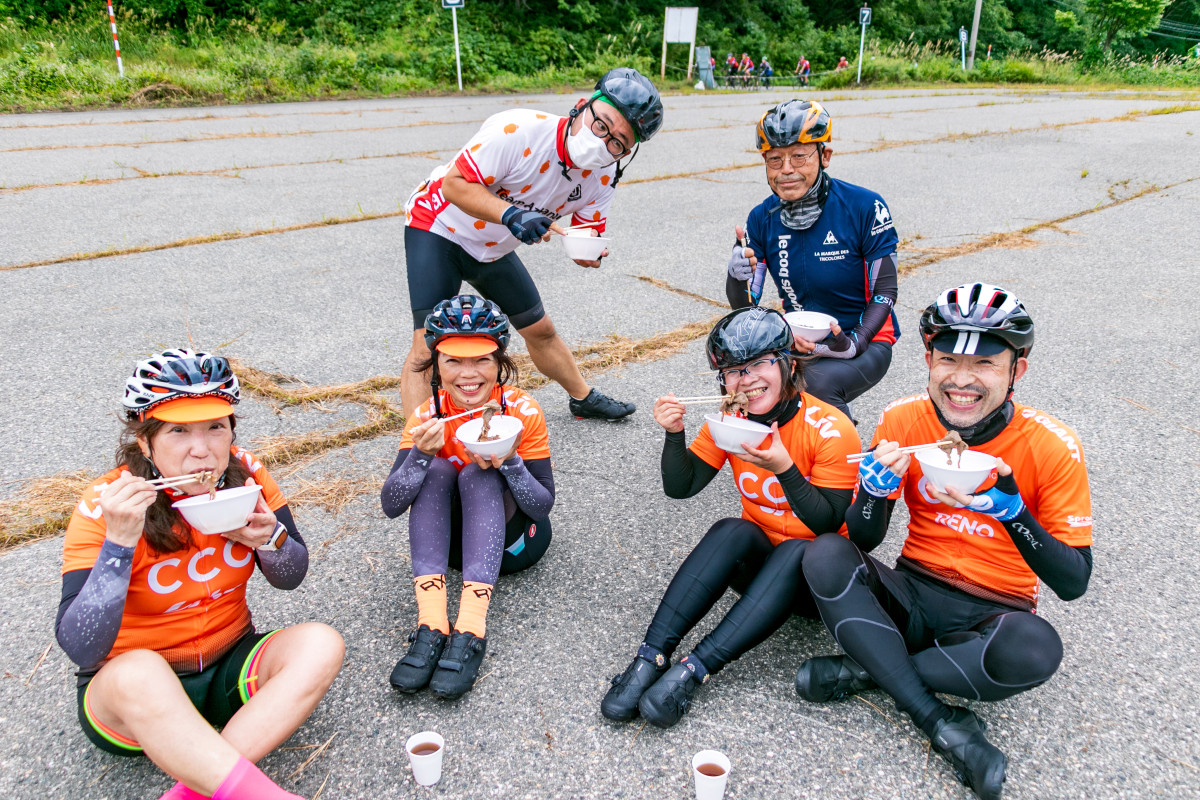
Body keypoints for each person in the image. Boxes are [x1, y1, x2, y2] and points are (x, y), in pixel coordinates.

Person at [795, 283, 1093, 800]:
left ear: (1016, 371)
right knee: (823, 552)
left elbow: (1073, 581)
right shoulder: (902, 419)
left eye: (985, 365)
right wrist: (873, 490)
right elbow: (866, 537)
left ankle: (872, 668)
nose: (962, 380)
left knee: (1036, 649)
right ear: (928, 359)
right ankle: (938, 722)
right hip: (911, 590)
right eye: (949, 359)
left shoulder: (1052, 444)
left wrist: (1015, 512)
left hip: (992, 612)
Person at [56, 349, 344, 800]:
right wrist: (118, 546)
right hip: (134, 701)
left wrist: (270, 541)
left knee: (321, 643)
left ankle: (193, 787)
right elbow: (81, 646)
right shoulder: (105, 503)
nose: (202, 448)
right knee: (138, 672)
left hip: (230, 666)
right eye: (177, 431)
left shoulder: (245, 475)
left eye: (215, 426)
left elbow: (292, 575)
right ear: (144, 442)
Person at [600, 307, 858, 728]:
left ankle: (693, 670)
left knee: (796, 549)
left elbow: (827, 525)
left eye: (760, 364)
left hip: (815, 582)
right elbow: (681, 487)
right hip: (758, 568)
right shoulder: (731, 420)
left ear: (788, 363)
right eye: (735, 371)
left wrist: (782, 465)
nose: (748, 379)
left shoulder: (831, 427)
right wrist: (674, 433)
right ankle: (650, 657)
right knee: (731, 529)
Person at [401, 68, 664, 423]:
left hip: (491, 246)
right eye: (601, 125)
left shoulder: (603, 175)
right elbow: (455, 184)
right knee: (427, 343)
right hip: (439, 226)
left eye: (618, 143)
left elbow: (584, 231)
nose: (603, 143)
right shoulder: (519, 130)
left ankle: (582, 397)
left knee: (540, 328)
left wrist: (589, 254)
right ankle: (415, 445)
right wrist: (512, 214)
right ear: (582, 106)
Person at [383, 295, 555, 699]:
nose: (468, 375)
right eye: (453, 361)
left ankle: (471, 628)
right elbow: (391, 504)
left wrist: (509, 461)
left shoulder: (522, 411)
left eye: (482, 360)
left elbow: (542, 506)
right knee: (438, 467)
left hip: (515, 545)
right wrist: (420, 457)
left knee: (480, 475)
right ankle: (432, 625)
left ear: (499, 364)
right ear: (435, 367)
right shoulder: (428, 414)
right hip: (450, 552)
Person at [725, 100, 900, 420]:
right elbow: (746, 308)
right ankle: (776, 454)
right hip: (797, 340)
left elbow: (885, 291)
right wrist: (737, 274)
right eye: (775, 159)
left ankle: (841, 464)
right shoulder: (761, 218)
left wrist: (853, 343)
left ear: (825, 156)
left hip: (866, 339)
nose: (787, 169)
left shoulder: (865, 206)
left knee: (815, 385)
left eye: (799, 155)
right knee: (740, 380)